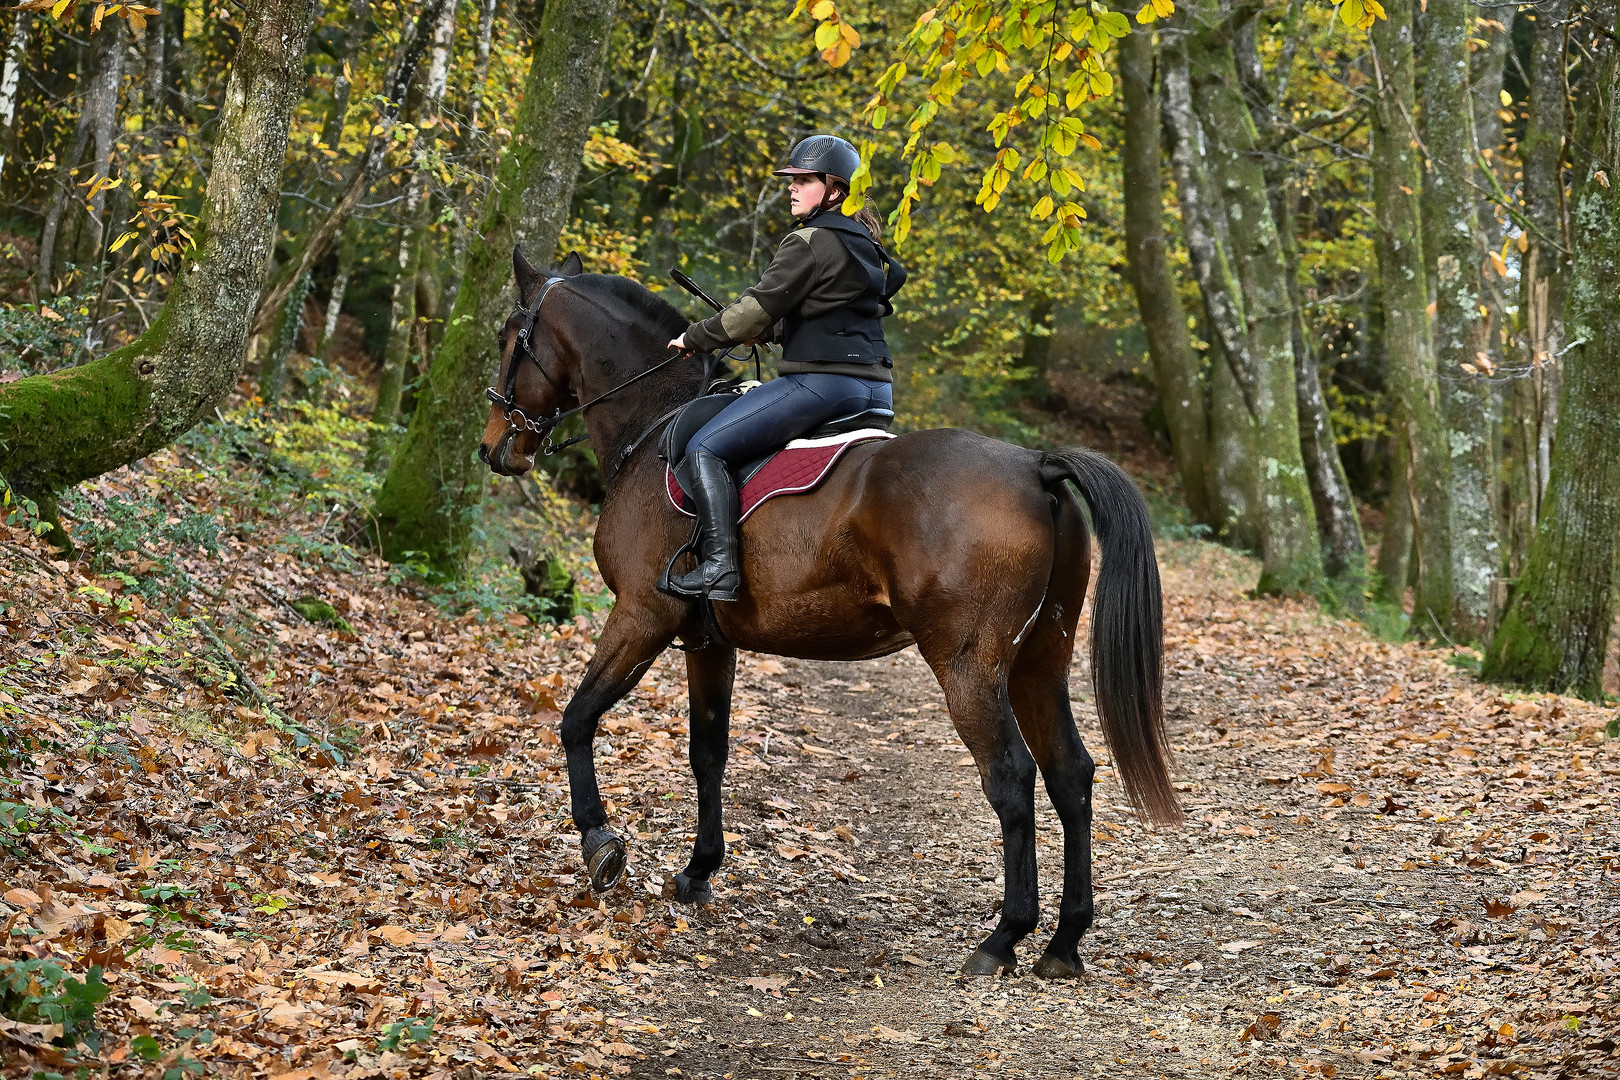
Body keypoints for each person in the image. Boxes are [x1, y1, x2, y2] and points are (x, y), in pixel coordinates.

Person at [662, 134, 907, 603]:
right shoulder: (866, 246)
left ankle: (718, 568)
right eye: (792, 180)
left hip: (822, 386)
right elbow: (826, 316)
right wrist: (773, 335)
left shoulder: (809, 241)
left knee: (703, 448)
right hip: (876, 392)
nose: (792, 188)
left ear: (835, 190)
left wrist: (696, 337)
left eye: (805, 180)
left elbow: (755, 307)